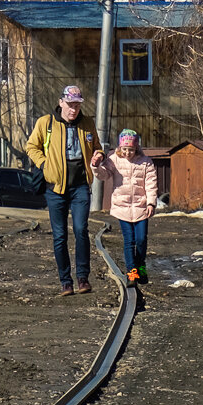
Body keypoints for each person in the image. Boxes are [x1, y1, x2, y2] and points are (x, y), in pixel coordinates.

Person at [26, 84, 103, 296]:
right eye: (70, 105)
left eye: (77, 105)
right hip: (55, 188)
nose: (73, 110)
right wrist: (43, 164)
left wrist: (99, 155)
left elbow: (97, 146)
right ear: (61, 102)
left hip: (80, 186)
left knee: (81, 230)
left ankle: (83, 278)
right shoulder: (46, 123)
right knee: (60, 236)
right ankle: (65, 281)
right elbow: (31, 146)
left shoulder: (87, 123)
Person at [91, 129, 158, 286]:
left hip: (141, 207)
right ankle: (131, 274)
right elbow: (103, 174)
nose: (128, 153)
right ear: (120, 148)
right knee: (129, 241)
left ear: (137, 148)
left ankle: (141, 269)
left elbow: (151, 183)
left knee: (141, 240)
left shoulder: (146, 162)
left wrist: (151, 203)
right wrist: (95, 166)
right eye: (125, 149)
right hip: (122, 207)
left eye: (131, 149)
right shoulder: (113, 160)